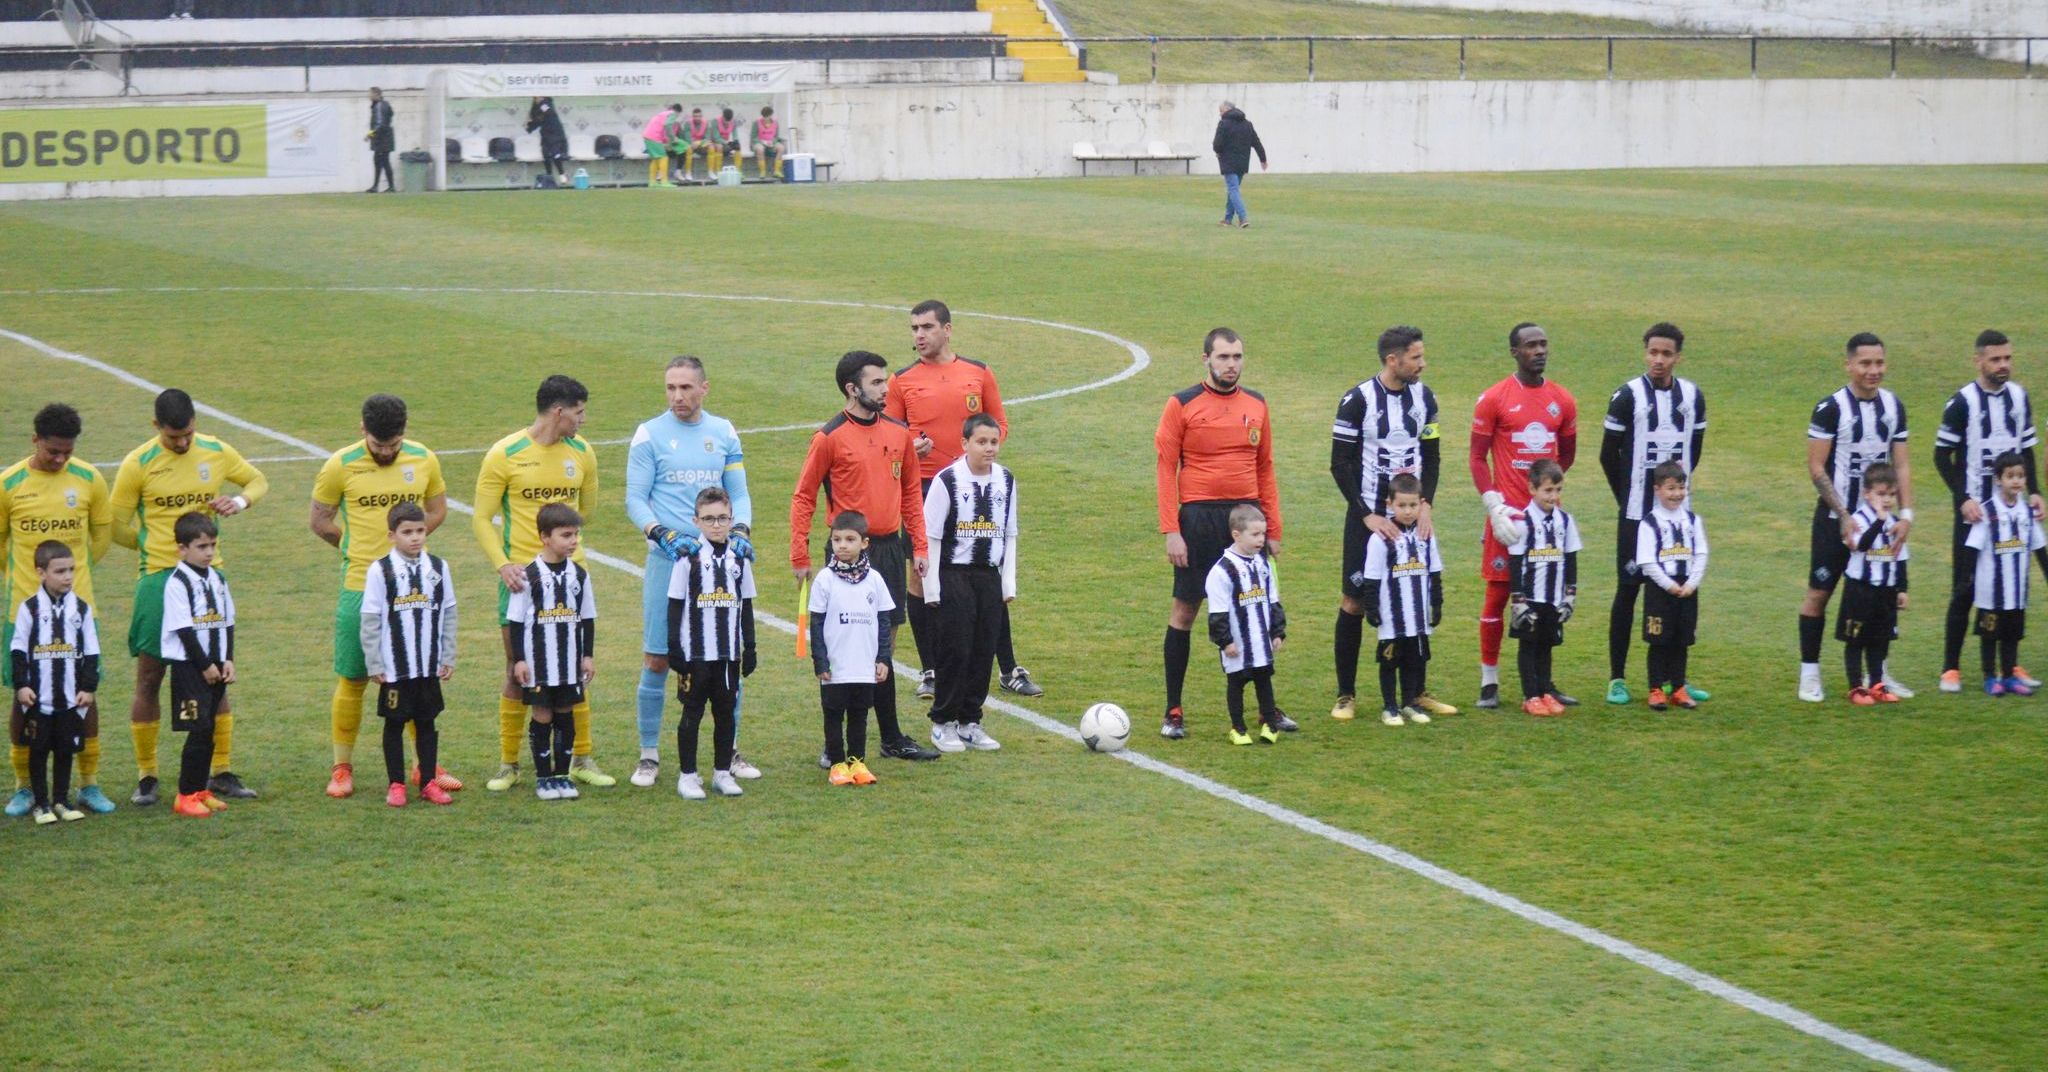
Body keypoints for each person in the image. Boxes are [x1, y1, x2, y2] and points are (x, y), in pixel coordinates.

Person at [111, 388, 265, 805]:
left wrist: (238, 500)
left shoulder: (215, 450)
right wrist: (150, 547)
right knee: (150, 675)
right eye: (173, 437)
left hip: (207, 578)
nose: (181, 443)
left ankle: (221, 770)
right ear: (156, 427)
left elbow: (257, 479)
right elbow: (115, 523)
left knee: (215, 673)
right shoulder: (138, 463)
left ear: (195, 423)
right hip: (158, 581)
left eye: (187, 435)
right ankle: (147, 776)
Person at [791, 351, 939, 762]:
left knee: (881, 649)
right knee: (841, 648)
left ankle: (890, 738)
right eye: (876, 383)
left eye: (885, 381)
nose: (885, 388)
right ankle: (834, 744)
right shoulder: (828, 437)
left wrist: (920, 547)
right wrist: (799, 554)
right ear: (852, 389)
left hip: (889, 551)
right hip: (846, 553)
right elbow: (804, 496)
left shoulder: (899, 433)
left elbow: (911, 492)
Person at [887, 300, 1038, 701]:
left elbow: (999, 423)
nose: (919, 335)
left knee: (985, 572)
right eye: (914, 328)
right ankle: (931, 669)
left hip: (976, 490)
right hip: (920, 490)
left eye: (927, 327)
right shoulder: (901, 380)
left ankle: (1007, 668)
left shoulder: (978, 372)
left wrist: (976, 456)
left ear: (948, 329)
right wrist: (908, 448)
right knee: (921, 575)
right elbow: (889, 436)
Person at [311, 393, 453, 800]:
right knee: (354, 676)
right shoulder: (340, 464)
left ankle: (423, 766)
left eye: (393, 445)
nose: (387, 452)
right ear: (363, 431)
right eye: (379, 446)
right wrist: (357, 553)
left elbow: (438, 509)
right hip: (359, 585)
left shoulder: (424, 459)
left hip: (412, 590)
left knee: (415, 676)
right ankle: (342, 767)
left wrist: (408, 547)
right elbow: (320, 520)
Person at [473, 375, 611, 792]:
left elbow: (585, 511)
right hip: (520, 581)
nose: (583, 420)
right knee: (518, 670)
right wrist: (503, 566)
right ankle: (509, 763)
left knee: (574, 670)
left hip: (570, 581)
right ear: (559, 411)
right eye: (579, 412)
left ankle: (581, 758)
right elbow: (481, 517)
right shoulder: (505, 454)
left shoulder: (582, 453)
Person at [627, 355, 757, 787]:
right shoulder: (649, 433)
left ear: (704, 388)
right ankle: (649, 755)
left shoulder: (723, 432)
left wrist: (739, 531)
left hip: (718, 565)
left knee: (726, 657)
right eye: (670, 388)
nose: (677, 396)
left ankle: (729, 751)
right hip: (670, 561)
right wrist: (661, 533)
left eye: (685, 387)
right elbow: (635, 499)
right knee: (658, 657)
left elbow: (739, 491)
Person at [1156, 327, 1286, 739]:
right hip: (1199, 520)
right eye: (1224, 357)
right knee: (1186, 611)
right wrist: (1171, 530)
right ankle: (1173, 709)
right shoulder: (1182, 404)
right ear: (1206, 359)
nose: (1231, 364)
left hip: (1248, 519)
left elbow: (1265, 467)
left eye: (1237, 357)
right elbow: (1165, 468)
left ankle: (1267, 710)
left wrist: (1274, 528)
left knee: (1257, 611)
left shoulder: (1257, 405)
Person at [1329, 324, 1453, 722]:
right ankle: (1346, 694)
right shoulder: (1357, 401)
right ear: (1392, 360)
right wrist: (1366, 514)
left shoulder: (1424, 398)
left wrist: (1427, 505)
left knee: (1414, 599)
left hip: (1413, 517)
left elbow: (1431, 457)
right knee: (1353, 601)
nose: (1423, 363)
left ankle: (1416, 693)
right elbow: (1340, 463)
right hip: (1367, 521)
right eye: (1416, 357)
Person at [0, 404, 113, 819]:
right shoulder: (9, 483)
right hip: (23, 611)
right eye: (52, 451)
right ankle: (24, 787)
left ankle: (89, 783)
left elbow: (100, 532)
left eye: (66, 451)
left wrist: (74, 579)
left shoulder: (88, 479)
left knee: (86, 693)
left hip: (79, 611)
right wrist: (25, 580)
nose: (61, 458)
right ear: (34, 441)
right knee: (23, 694)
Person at [1798, 333, 1914, 703]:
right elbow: (1817, 468)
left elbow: (1902, 464)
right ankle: (1810, 673)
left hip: (1882, 523)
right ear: (1849, 365)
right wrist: (1845, 514)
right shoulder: (1830, 408)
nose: (1873, 370)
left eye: (1879, 363)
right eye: (1865, 363)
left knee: (1879, 596)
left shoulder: (1893, 406)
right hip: (1837, 520)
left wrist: (1906, 515)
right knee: (1820, 593)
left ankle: (1876, 676)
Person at [1599, 323, 1708, 705]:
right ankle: (1617, 678)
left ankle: (1676, 681)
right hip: (1634, 517)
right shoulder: (1627, 396)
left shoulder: (1693, 397)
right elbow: (1607, 455)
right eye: (1653, 353)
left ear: (1678, 356)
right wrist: (1628, 499)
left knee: (1678, 594)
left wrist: (1673, 497)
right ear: (1645, 352)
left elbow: (1693, 452)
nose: (1658, 360)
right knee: (1628, 593)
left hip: (1677, 519)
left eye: (1666, 354)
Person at [1471, 323, 1577, 709]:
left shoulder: (1562, 400)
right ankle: (1489, 681)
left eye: (1544, 344)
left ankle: (1543, 684)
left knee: (1546, 599)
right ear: (1514, 351)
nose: (1539, 351)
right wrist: (1495, 506)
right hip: (1508, 520)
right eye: (1531, 345)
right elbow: (1476, 457)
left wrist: (1545, 497)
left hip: (1546, 523)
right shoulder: (1495, 399)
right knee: (1498, 594)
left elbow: (1565, 457)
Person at [1933, 330, 2043, 694]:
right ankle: (1951, 667)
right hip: (1976, 514)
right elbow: (1941, 456)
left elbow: (2026, 450)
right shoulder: (1962, 403)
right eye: (1996, 359)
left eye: (2008, 358)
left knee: (2012, 588)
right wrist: (1963, 498)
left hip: (2012, 513)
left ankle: (2009, 665)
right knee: (1965, 589)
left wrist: (2036, 492)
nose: (2003, 365)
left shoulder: (2019, 397)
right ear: (1978, 360)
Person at [921, 414, 1018, 753]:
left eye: (993, 442)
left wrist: (1008, 583)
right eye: (981, 442)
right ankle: (942, 721)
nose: (989, 448)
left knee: (983, 649)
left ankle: (970, 721)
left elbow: (1010, 533)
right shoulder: (946, 481)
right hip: (954, 574)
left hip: (987, 576)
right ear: (964, 443)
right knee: (955, 649)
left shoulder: (1006, 480)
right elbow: (931, 536)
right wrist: (931, 588)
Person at [360, 502, 458, 808]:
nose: (415, 538)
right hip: (394, 668)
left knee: (427, 722)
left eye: (420, 531)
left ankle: (428, 781)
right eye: (407, 532)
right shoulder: (381, 570)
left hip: (428, 665)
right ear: (392, 535)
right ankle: (396, 784)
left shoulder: (439, 568)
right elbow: (371, 619)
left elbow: (449, 612)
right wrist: (375, 661)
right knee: (394, 723)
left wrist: (448, 655)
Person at [666, 487, 756, 800]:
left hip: (728, 653)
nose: (716, 525)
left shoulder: (740, 557)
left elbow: (746, 605)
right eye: (708, 519)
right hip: (695, 653)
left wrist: (751, 647)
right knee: (691, 714)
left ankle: (721, 772)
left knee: (725, 713)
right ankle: (688, 775)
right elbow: (675, 603)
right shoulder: (687, 557)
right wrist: (674, 647)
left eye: (721, 518)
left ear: (732, 519)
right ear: (697, 520)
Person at [507, 504, 597, 803]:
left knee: (565, 714)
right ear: (545, 537)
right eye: (566, 535)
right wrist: (519, 658)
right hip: (538, 664)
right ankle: (544, 777)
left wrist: (587, 655)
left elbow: (587, 618)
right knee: (542, 715)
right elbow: (517, 621)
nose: (573, 541)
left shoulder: (580, 575)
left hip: (569, 662)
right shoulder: (528, 576)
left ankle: (562, 775)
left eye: (576, 535)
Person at [10, 541, 98, 825]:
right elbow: (18, 650)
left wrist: (88, 688)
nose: (68, 576)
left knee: (64, 750)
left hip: (69, 699)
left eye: (71, 570)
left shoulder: (81, 609)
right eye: (60, 571)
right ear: (40, 572)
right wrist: (22, 685)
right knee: (38, 751)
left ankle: (61, 800)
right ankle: (41, 803)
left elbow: (92, 652)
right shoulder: (30, 609)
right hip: (39, 699)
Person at [161, 512, 235, 819]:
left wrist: (228, 658)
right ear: (182, 549)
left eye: (213, 545)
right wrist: (204, 665)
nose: (209, 552)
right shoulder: (177, 583)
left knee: (209, 728)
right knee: (198, 728)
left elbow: (228, 621)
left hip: (216, 664)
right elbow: (184, 630)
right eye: (202, 546)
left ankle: (200, 790)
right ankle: (185, 794)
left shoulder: (217, 578)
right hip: (191, 667)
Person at [810, 511, 890, 787]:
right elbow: (816, 623)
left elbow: (882, 620)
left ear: (864, 543)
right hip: (836, 664)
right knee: (833, 714)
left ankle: (857, 761)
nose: (842, 545)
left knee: (859, 713)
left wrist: (883, 658)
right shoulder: (825, 580)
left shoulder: (874, 580)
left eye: (849, 539)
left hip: (863, 663)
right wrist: (820, 661)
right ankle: (836, 763)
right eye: (836, 540)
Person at [1358, 474, 1443, 727]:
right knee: (1389, 661)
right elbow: (1371, 577)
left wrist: (1436, 604)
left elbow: (1435, 572)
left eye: (1413, 505)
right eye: (1402, 506)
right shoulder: (1380, 538)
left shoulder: (1426, 535)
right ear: (1390, 504)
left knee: (1414, 661)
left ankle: (1409, 703)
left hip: (1417, 618)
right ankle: (1389, 706)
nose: (1408, 511)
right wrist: (1372, 609)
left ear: (1421, 504)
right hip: (1392, 618)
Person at [1962, 452, 2044, 696]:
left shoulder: (2028, 513)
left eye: (2020, 476)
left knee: (2011, 635)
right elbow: (1972, 547)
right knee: (1989, 634)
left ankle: (2009, 675)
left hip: (2017, 592)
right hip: (1991, 593)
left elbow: (2039, 546)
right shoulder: (1986, 511)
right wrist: (1966, 580)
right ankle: (1989, 677)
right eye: (2010, 476)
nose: (2016, 481)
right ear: (1998, 479)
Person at [1205, 504, 1287, 745]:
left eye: (1263, 534)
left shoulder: (1263, 565)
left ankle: (1270, 724)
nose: (1261, 539)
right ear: (1236, 535)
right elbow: (1217, 613)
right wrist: (1225, 641)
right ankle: (1238, 727)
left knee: (1264, 682)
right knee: (1236, 684)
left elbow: (1273, 601)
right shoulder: (1221, 571)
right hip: (1238, 645)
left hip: (1261, 644)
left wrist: (1277, 632)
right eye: (1255, 534)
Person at [1507, 459, 1583, 716]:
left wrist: (1570, 596)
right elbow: (1515, 563)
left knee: (1547, 646)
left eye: (1558, 490)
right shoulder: (1522, 521)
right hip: (1530, 598)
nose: (1553, 496)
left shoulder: (1565, 520)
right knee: (1529, 647)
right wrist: (1518, 601)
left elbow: (1571, 558)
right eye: (1548, 490)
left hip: (1553, 598)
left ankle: (1544, 691)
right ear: (1532, 489)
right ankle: (1530, 696)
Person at [1636, 462, 1707, 711]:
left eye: (1681, 487)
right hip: (1660, 591)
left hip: (1687, 589)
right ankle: (1656, 689)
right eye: (1670, 488)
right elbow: (1646, 561)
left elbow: (1701, 553)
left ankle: (1678, 687)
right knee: (1659, 641)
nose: (1677, 493)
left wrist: (1691, 584)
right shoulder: (1649, 523)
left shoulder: (1692, 520)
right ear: (1657, 489)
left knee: (1681, 640)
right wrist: (1668, 585)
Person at [1838, 463, 1910, 705]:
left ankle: (1877, 684)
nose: (1887, 500)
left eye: (1891, 495)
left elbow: (1900, 556)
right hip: (1860, 590)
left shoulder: (1896, 522)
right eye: (1880, 494)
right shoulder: (1857, 520)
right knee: (1856, 640)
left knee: (1880, 640)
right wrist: (1879, 521)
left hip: (1885, 591)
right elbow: (1861, 545)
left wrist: (1902, 589)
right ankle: (1856, 687)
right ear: (1866, 494)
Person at [1211, 101, 1266, 228]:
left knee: (1233, 189)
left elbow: (1217, 144)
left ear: (1227, 110)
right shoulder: (1247, 124)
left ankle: (1243, 218)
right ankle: (1227, 219)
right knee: (1233, 189)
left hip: (1228, 162)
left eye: (1221, 111)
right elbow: (1256, 143)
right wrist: (1263, 159)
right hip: (1242, 162)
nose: (1220, 114)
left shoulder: (1224, 124)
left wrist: (1218, 152)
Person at [526, 96, 569, 183]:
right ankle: (549, 177)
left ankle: (562, 174)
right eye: (535, 98)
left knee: (555, 153)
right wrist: (529, 127)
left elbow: (549, 112)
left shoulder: (546, 103)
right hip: (545, 134)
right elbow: (536, 120)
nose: (536, 99)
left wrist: (539, 110)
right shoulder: (536, 107)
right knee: (546, 154)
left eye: (538, 97)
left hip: (555, 133)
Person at [365, 87, 396, 193]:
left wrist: (370, 134)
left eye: (370, 94)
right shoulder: (383, 105)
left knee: (382, 161)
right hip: (384, 138)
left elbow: (380, 123)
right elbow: (390, 116)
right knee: (380, 161)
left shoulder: (379, 106)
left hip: (382, 139)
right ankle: (379, 186)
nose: (368, 96)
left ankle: (387, 186)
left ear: (376, 94)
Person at [643, 103, 681, 186]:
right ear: (678, 112)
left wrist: (668, 141)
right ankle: (664, 181)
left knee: (655, 159)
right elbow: (667, 125)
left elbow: (663, 130)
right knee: (664, 158)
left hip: (647, 136)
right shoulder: (672, 114)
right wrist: (673, 139)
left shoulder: (663, 114)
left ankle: (652, 182)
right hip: (654, 137)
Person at [674, 108, 714, 182]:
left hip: (701, 145)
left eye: (699, 116)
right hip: (691, 145)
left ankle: (711, 172)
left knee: (711, 147)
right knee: (688, 148)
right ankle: (688, 173)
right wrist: (695, 143)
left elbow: (708, 138)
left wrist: (699, 142)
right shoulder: (687, 124)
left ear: (702, 116)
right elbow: (688, 139)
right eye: (695, 116)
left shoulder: (706, 123)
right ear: (692, 116)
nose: (697, 118)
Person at [751, 106, 784, 180]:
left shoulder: (775, 123)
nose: (766, 118)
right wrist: (762, 142)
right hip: (759, 143)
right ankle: (762, 172)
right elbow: (753, 137)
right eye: (764, 116)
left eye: (768, 116)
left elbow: (776, 136)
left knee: (781, 147)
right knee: (760, 149)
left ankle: (777, 171)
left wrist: (773, 142)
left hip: (771, 143)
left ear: (771, 115)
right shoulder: (756, 122)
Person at [714, 108, 742, 175]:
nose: (727, 122)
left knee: (737, 147)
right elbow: (716, 137)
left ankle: (738, 171)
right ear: (723, 116)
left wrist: (736, 141)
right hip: (715, 143)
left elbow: (735, 134)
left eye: (729, 120)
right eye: (726, 120)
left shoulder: (733, 122)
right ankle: (718, 171)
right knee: (719, 146)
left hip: (725, 144)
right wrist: (726, 143)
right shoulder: (715, 121)